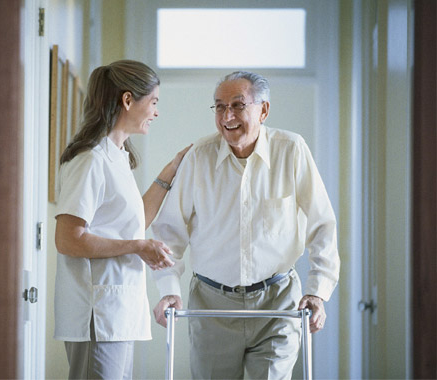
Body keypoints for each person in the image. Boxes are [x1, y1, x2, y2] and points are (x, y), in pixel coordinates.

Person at [152, 71, 340, 379]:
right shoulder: (199, 156)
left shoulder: (291, 150)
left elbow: (322, 225)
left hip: (277, 303)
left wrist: (318, 291)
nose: (228, 116)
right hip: (211, 306)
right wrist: (168, 287)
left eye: (238, 105)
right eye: (219, 107)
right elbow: (169, 231)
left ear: (263, 110)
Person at [53, 60, 191, 380]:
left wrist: (170, 171)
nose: (156, 112)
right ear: (128, 100)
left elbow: (134, 220)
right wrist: (138, 246)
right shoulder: (90, 159)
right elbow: (68, 238)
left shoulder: (118, 156)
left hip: (116, 312)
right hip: (97, 315)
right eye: (153, 102)